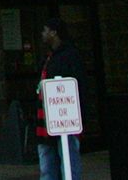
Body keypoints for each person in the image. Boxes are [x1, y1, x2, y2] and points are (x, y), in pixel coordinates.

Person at [36, 18, 85, 180]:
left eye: (45, 30)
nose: (43, 34)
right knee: (47, 165)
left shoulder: (69, 55)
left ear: (54, 32)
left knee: (69, 162)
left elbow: (79, 86)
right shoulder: (49, 57)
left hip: (65, 118)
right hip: (45, 118)